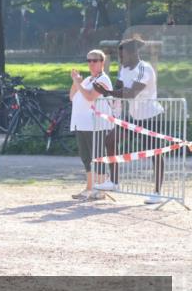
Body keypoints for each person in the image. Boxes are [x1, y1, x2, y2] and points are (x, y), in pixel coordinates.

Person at [93, 37, 166, 204]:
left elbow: (131, 93)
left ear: (133, 53)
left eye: (122, 55)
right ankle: (114, 181)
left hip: (151, 116)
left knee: (154, 152)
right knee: (110, 140)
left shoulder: (144, 69)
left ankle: (157, 192)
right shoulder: (124, 69)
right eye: (119, 55)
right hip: (133, 116)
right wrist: (105, 91)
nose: (120, 58)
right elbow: (118, 89)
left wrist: (108, 92)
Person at [69, 49, 113, 201]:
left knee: (98, 156)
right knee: (86, 157)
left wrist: (78, 83)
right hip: (81, 123)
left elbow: (89, 97)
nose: (91, 63)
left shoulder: (103, 79)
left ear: (102, 62)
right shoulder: (88, 79)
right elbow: (72, 96)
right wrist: (75, 82)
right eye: (89, 61)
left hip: (96, 124)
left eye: (95, 60)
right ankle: (89, 188)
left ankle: (101, 189)